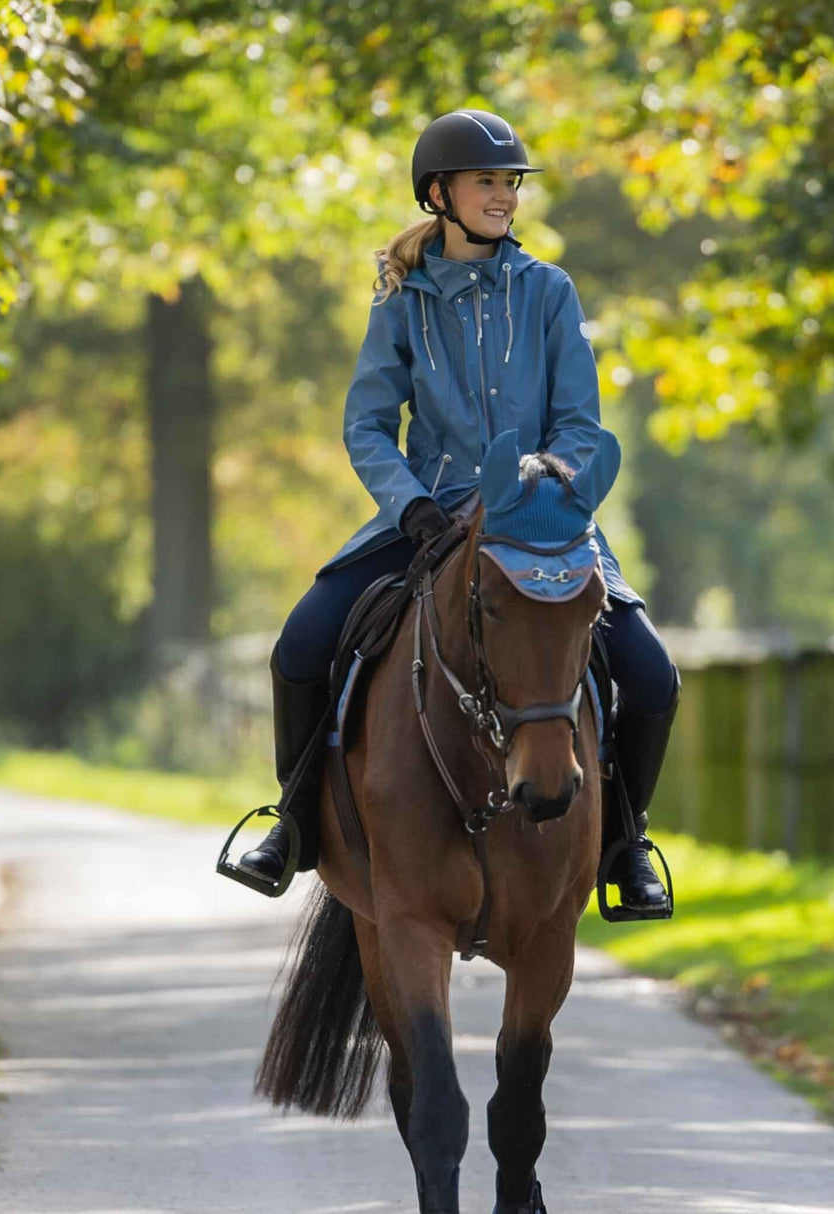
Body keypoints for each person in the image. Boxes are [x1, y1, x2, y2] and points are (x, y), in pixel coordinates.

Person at [237, 108, 679, 918]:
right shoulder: (401, 301)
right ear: (439, 193)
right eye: (489, 181)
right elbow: (368, 423)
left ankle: (626, 843)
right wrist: (408, 508)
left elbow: (580, 421)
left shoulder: (550, 291)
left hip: (545, 519)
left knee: (653, 674)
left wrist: (548, 484)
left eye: (511, 182)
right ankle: (294, 821)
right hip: (428, 519)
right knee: (298, 648)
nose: (505, 195)